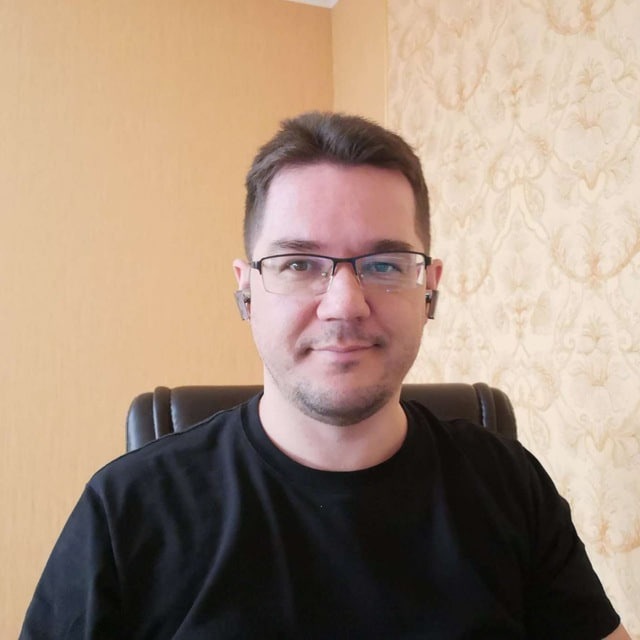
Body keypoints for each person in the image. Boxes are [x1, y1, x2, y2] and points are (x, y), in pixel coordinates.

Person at [21, 112, 630, 639]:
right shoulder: (126, 511)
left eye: (385, 264)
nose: (344, 304)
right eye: (298, 264)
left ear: (430, 288)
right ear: (247, 290)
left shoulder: (510, 485)